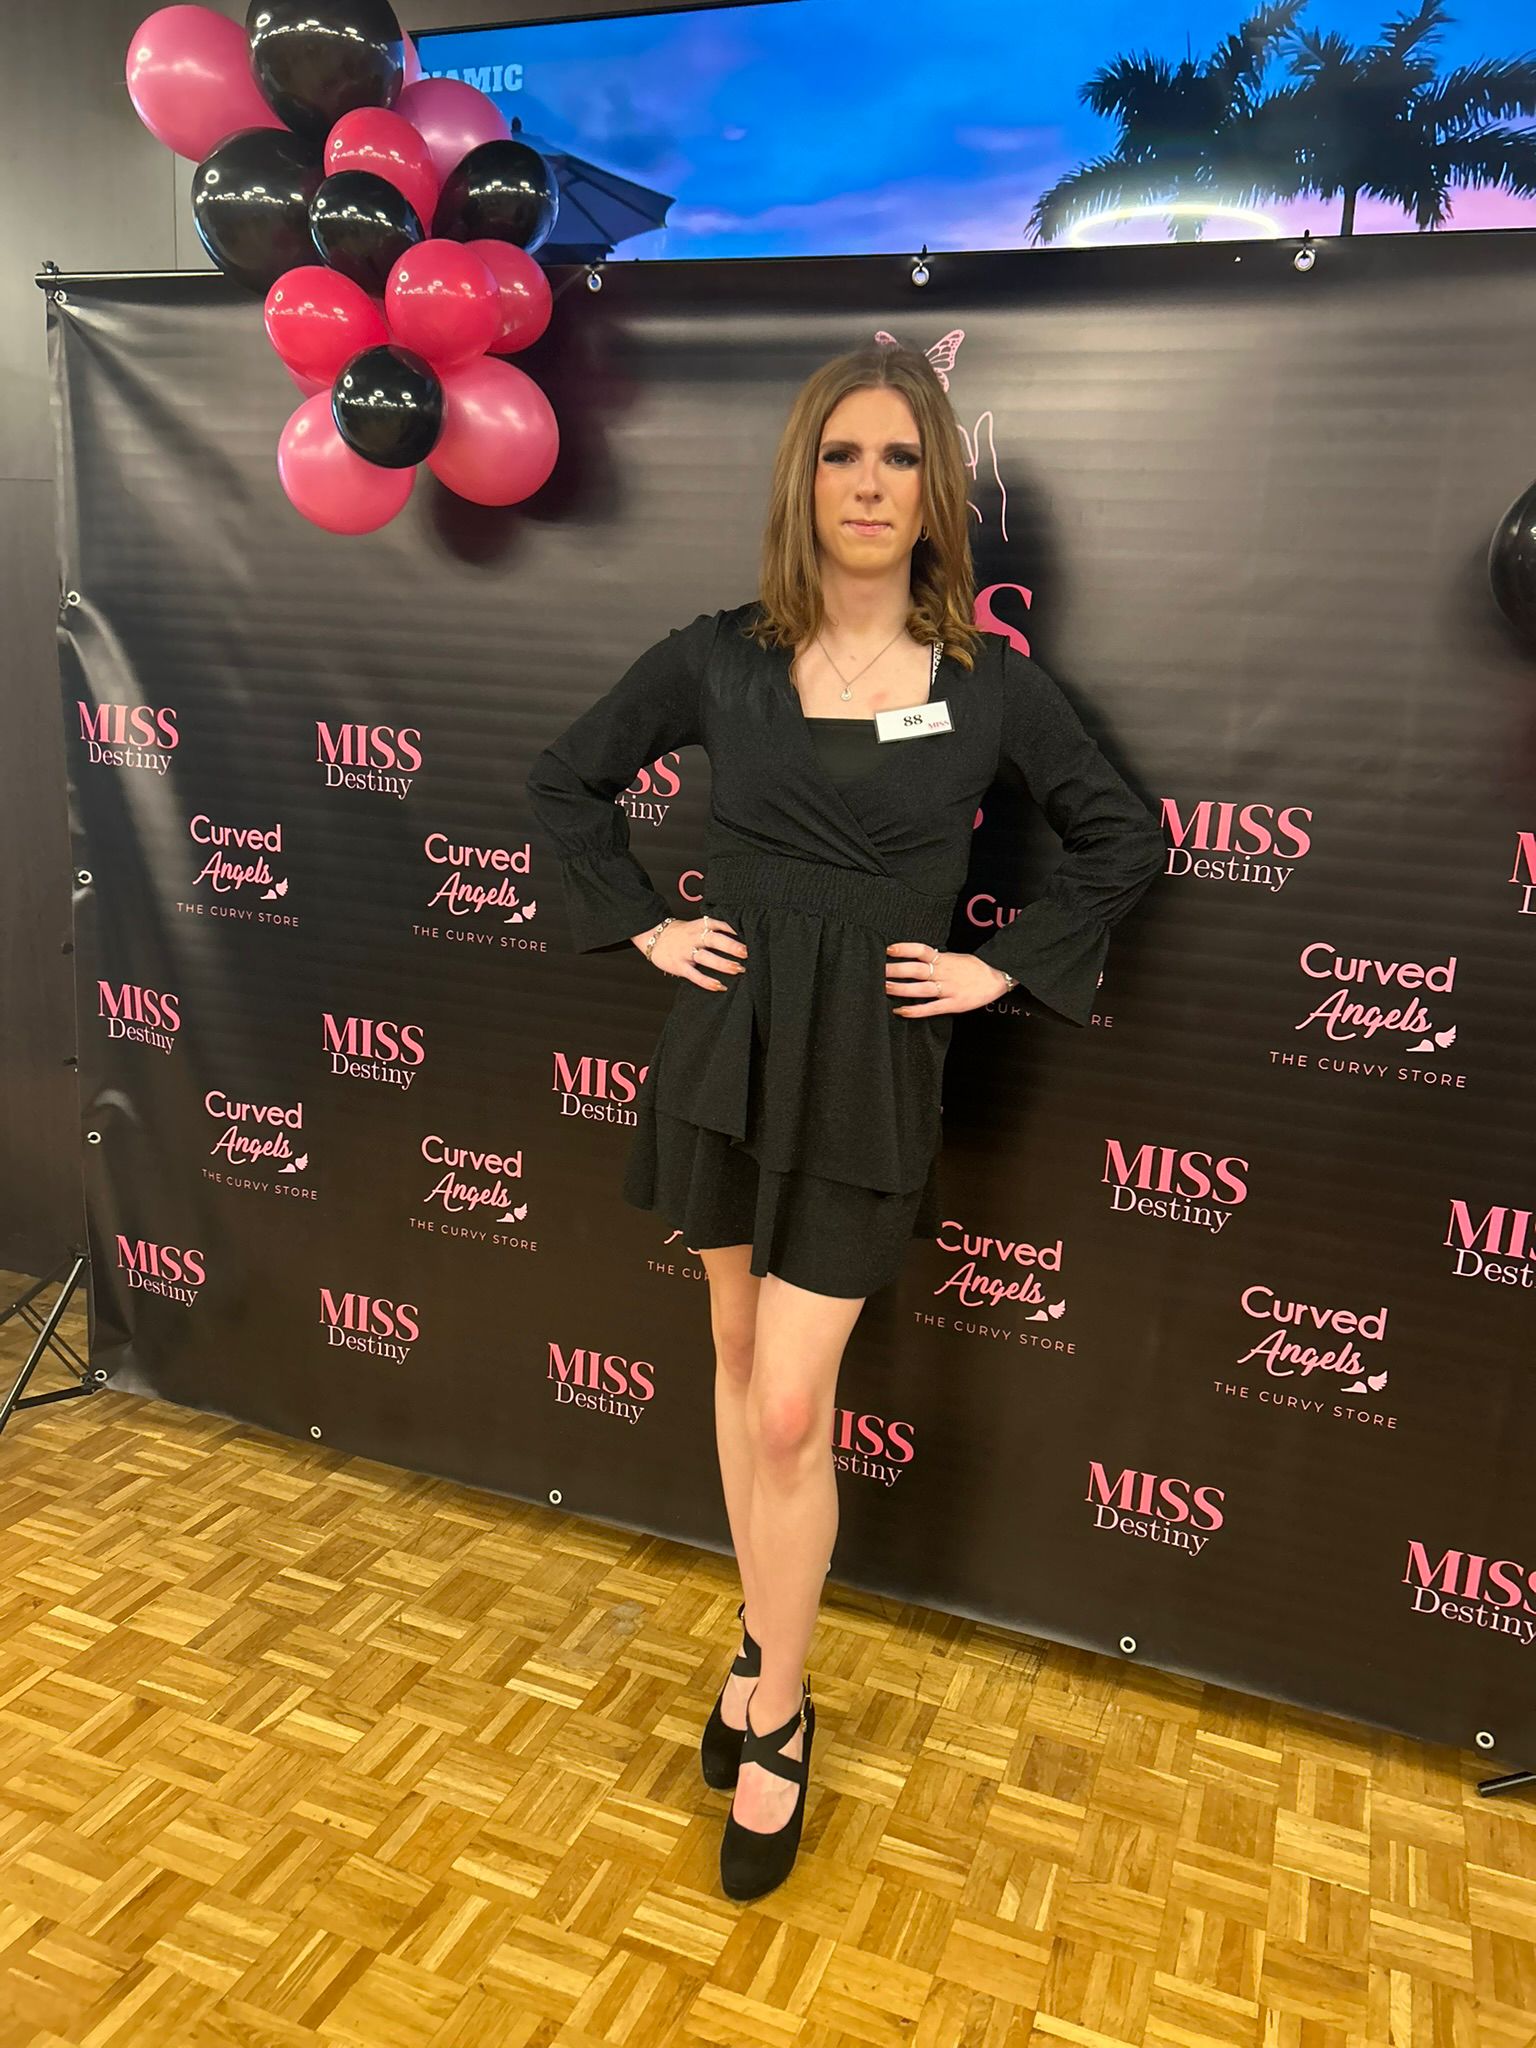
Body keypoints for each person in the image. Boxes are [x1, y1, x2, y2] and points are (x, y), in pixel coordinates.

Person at [525, 341, 1165, 1903]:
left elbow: (1121, 835)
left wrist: (1001, 965)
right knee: (737, 1362)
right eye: (840, 455)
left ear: (936, 489)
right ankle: (762, 1642)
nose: (868, 486)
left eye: (897, 457)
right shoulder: (720, 659)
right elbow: (564, 782)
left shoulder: (986, 683)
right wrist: (644, 926)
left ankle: (783, 1707)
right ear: (801, 479)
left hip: (873, 1069)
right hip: (726, 1052)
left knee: (792, 1411)